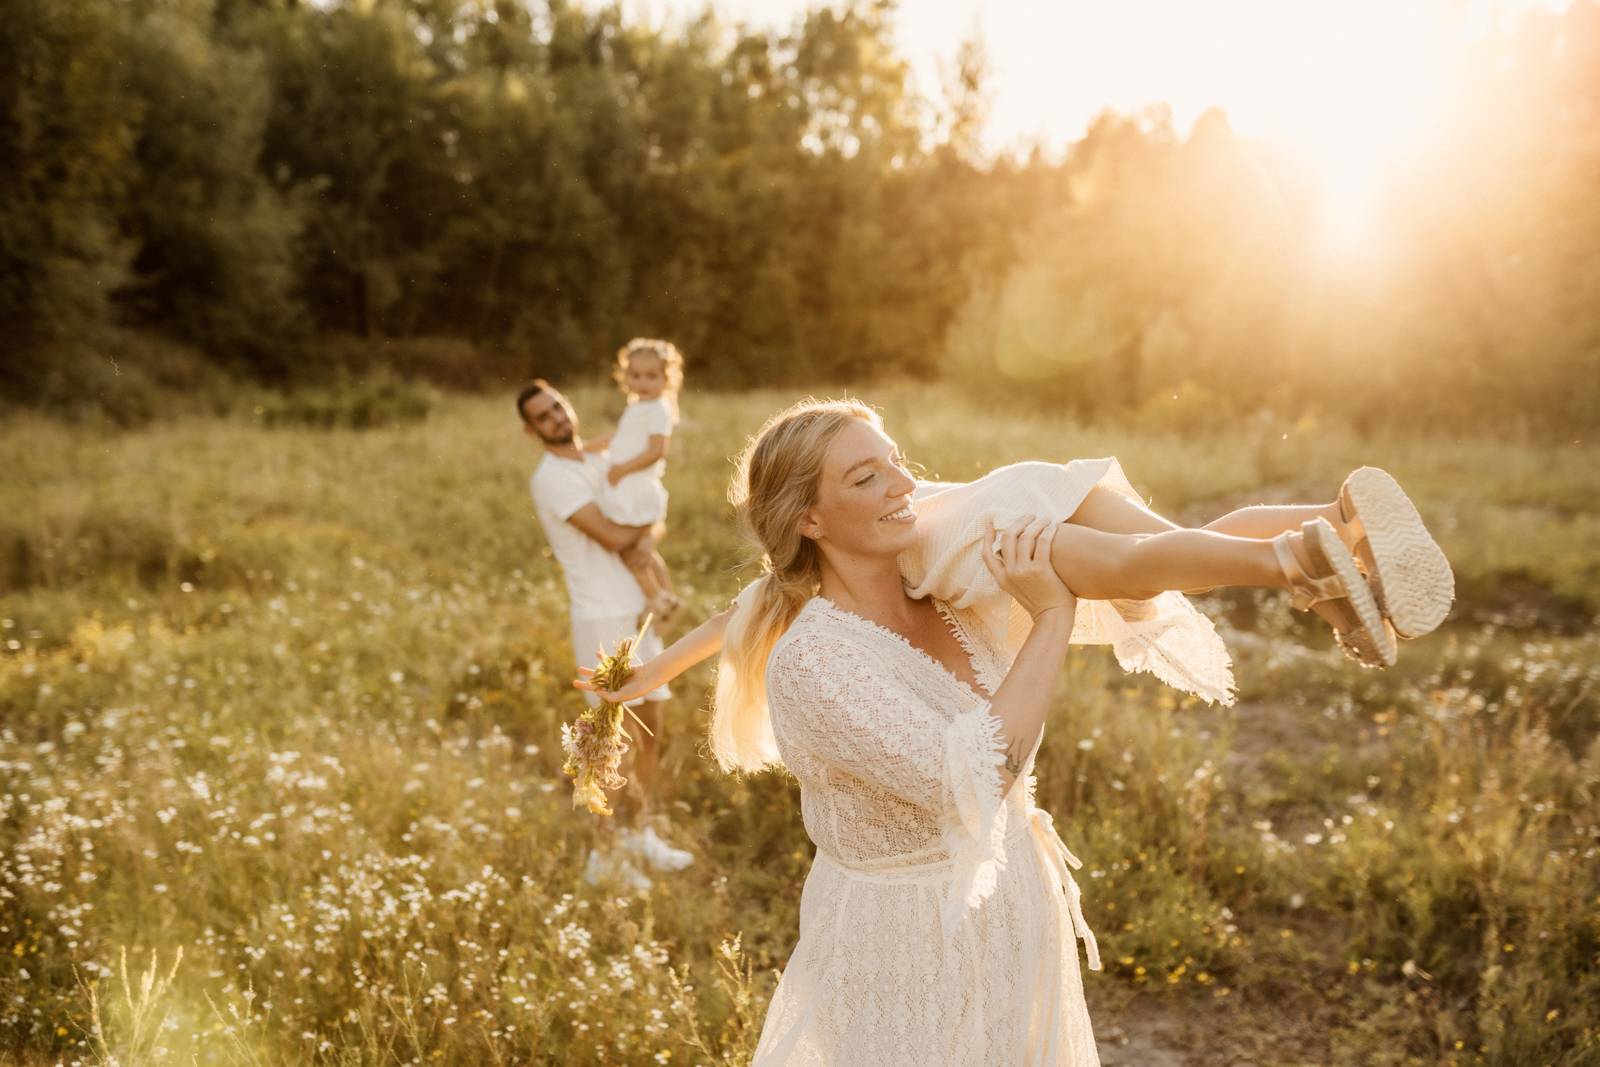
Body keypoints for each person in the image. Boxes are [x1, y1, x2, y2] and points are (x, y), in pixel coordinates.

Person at [580, 397, 1453, 1064]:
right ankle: (1315, 557)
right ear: (806, 519)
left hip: (1009, 908)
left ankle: (1326, 560)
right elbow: (974, 770)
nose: (902, 485)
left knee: (1166, 552)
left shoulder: (934, 580)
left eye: (893, 463)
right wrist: (1048, 616)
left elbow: (738, 612)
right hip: (906, 944)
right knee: (1167, 551)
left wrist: (646, 676)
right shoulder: (822, 648)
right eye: (866, 478)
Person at [518, 378, 693, 890]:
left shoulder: (597, 460)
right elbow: (618, 535)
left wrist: (648, 526)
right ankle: (605, 852)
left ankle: (638, 832)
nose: (556, 417)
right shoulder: (551, 478)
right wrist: (651, 521)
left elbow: (641, 520)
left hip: (634, 610)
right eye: (543, 416)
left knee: (651, 726)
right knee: (611, 737)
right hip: (601, 616)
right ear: (531, 430)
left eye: (557, 405)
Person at [584, 338, 685, 622]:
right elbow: (619, 439)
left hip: (635, 489)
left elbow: (657, 450)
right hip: (629, 487)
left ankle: (657, 599)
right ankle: (667, 595)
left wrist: (622, 470)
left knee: (631, 552)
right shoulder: (638, 405)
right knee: (643, 550)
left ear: (666, 378)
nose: (642, 382)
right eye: (636, 375)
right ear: (626, 376)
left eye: (651, 376)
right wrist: (587, 447)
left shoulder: (658, 409)